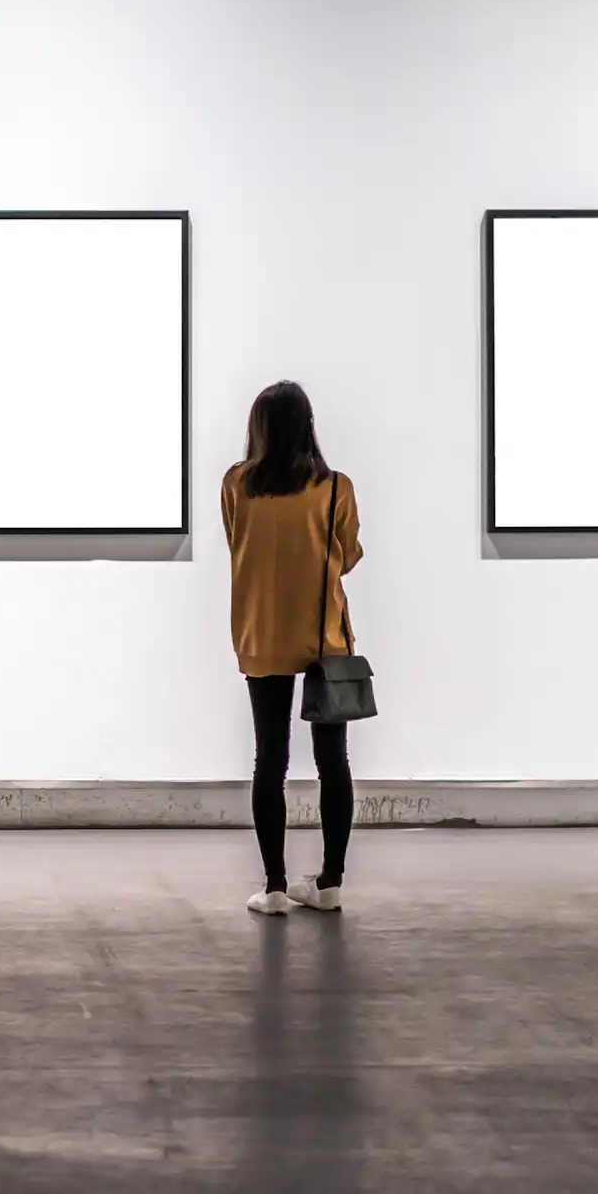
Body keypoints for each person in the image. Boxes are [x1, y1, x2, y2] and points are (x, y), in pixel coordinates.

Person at [222, 381, 361, 915]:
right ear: (309, 426)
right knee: (333, 762)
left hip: (261, 633)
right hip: (323, 635)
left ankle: (275, 886)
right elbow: (347, 555)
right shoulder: (334, 488)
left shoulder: (237, 484)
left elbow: (237, 541)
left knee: (269, 761)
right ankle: (329, 882)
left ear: (258, 428)